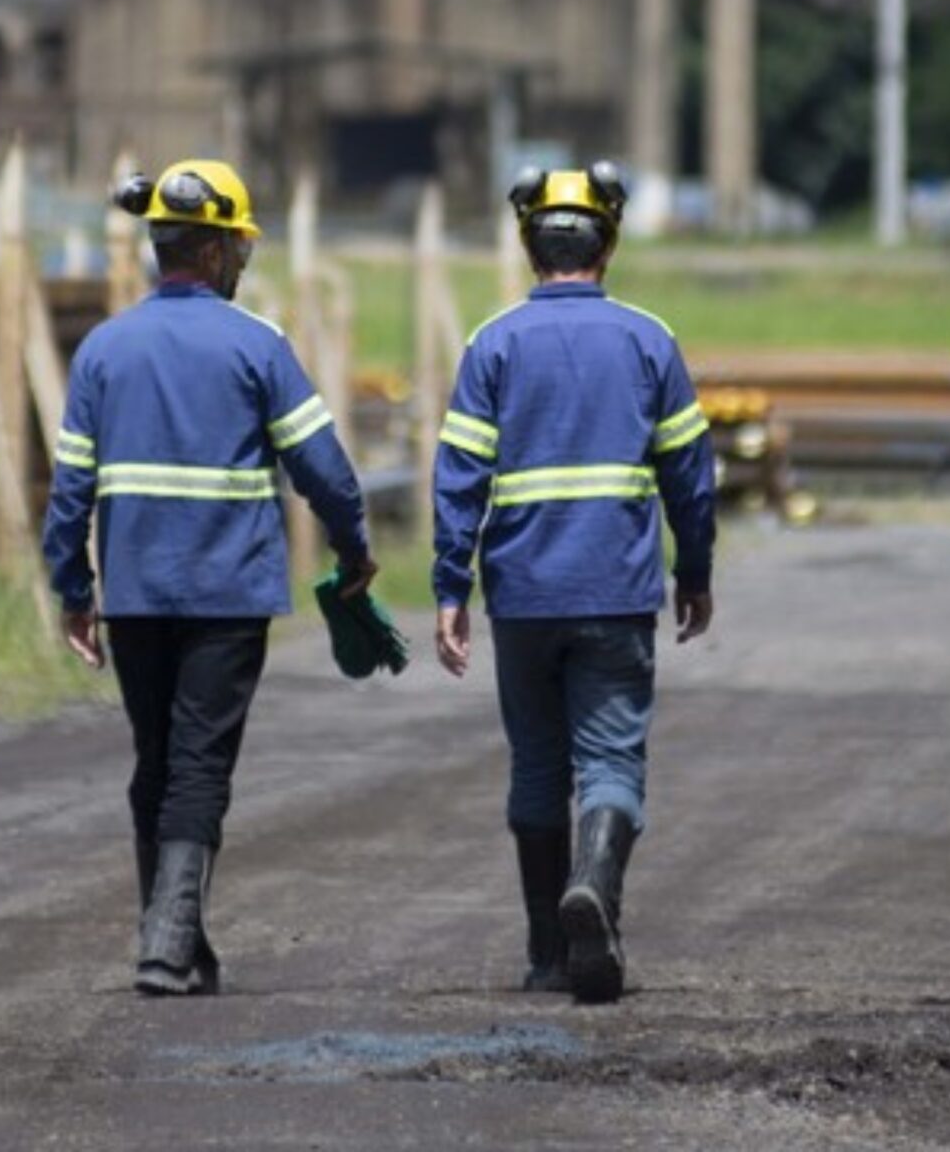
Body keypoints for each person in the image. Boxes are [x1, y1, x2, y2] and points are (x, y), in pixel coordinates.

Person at [43, 158, 378, 997]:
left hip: (137, 593)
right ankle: (165, 942)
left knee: (155, 759)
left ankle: (178, 939)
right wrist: (353, 548)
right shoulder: (256, 345)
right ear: (223, 250)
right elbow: (324, 470)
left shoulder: (103, 351)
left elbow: (70, 490)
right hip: (227, 594)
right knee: (198, 765)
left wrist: (74, 591)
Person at [432, 162, 717, 1004]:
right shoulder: (648, 340)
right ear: (608, 241)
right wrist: (693, 571)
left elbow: (459, 478)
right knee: (611, 761)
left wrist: (450, 586)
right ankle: (593, 887)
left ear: (531, 245)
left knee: (536, 767)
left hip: (521, 597)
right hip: (616, 593)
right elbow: (691, 476)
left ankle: (549, 954)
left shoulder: (492, 344)